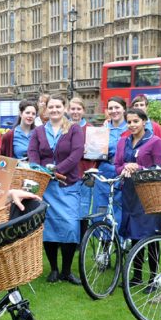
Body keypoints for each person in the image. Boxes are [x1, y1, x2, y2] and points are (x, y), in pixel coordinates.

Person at [27, 94, 85, 285]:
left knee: (70, 226)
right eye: (51, 107)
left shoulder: (74, 130)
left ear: (64, 108)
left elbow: (76, 154)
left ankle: (67, 271)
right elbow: (33, 153)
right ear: (46, 110)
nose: (54, 110)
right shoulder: (38, 131)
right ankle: (53, 269)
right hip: (46, 187)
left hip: (67, 184)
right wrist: (40, 170)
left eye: (58, 107)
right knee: (49, 227)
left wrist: (57, 170)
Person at [114, 108, 161, 287]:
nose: (132, 125)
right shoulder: (123, 141)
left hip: (148, 194)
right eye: (129, 122)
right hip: (129, 194)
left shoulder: (155, 142)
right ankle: (137, 277)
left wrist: (140, 168)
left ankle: (153, 278)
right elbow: (117, 165)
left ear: (144, 121)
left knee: (150, 237)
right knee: (134, 235)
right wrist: (126, 169)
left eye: (136, 121)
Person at [92, 96, 129, 228]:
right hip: (104, 171)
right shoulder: (103, 129)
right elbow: (94, 152)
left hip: (124, 172)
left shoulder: (131, 127)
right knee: (102, 205)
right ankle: (104, 238)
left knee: (121, 206)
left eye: (117, 107)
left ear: (124, 109)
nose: (114, 111)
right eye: (110, 108)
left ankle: (121, 239)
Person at [69, 97, 97, 240]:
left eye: (78, 109)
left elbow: (99, 152)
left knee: (84, 207)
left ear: (83, 111)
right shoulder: (64, 127)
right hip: (68, 175)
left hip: (85, 173)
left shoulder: (91, 129)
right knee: (69, 207)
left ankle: (82, 240)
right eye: (73, 109)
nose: (75, 112)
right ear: (68, 110)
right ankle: (69, 239)